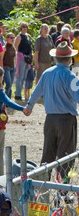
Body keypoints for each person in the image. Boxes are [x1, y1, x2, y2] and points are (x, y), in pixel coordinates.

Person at [24, 41, 79, 185]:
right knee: (66, 156)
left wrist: (29, 106)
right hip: (66, 120)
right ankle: (63, 188)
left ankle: (43, 187)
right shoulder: (71, 77)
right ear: (69, 59)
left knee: (47, 155)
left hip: (50, 119)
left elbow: (36, 92)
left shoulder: (47, 73)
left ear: (56, 58)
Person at [14, 23, 32, 100]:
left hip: (27, 58)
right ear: (21, 28)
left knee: (24, 77)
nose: (25, 29)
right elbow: (15, 47)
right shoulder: (19, 36)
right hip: (21, 57)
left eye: (26, 27)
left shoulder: (28, 36)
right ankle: (17, 94)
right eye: (23, 27)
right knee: (20, 76)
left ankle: (20, 93)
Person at [3, 33, 16, 98]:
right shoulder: (4, 47)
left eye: (13, 37)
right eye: (11, 38)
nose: (13, 39)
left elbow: (14, 58)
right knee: (8, 84)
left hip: (12, 67)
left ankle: (9, 99)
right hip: (6, 67)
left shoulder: (13, 47)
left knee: (10, 85)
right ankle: (4, 99)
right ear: (7, 38)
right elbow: (1, 58)